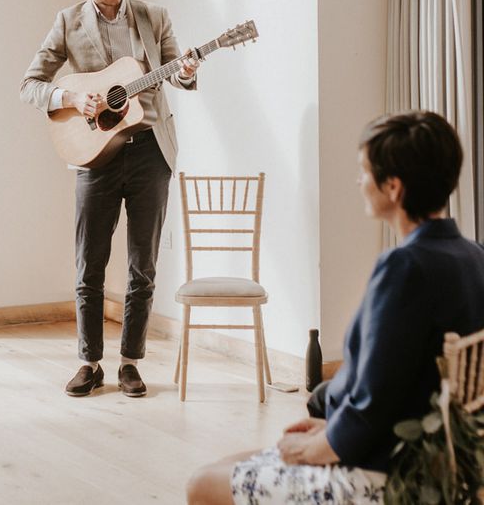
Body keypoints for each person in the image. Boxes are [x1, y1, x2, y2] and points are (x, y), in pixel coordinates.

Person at [186, 110, 484, 504]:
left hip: (386, 473)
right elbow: (400, 386)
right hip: (440, 460)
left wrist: (318, 447)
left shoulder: (405, 266)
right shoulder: (473, 255)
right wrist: (328, 427)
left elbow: (373, 404)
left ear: (393, 187)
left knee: (203, 484)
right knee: (233, 463)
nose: (359, 181)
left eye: (364, 171)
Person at [20, 0, 200, 398]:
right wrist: (73, 98)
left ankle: (130, 363)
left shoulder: (154, 16)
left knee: (143, 265)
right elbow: (31, 84)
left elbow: (179, 75)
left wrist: (188, 70)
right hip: (94, 156)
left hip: (150, 153)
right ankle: (89, 362)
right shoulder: (68, 21)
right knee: (90, 264)